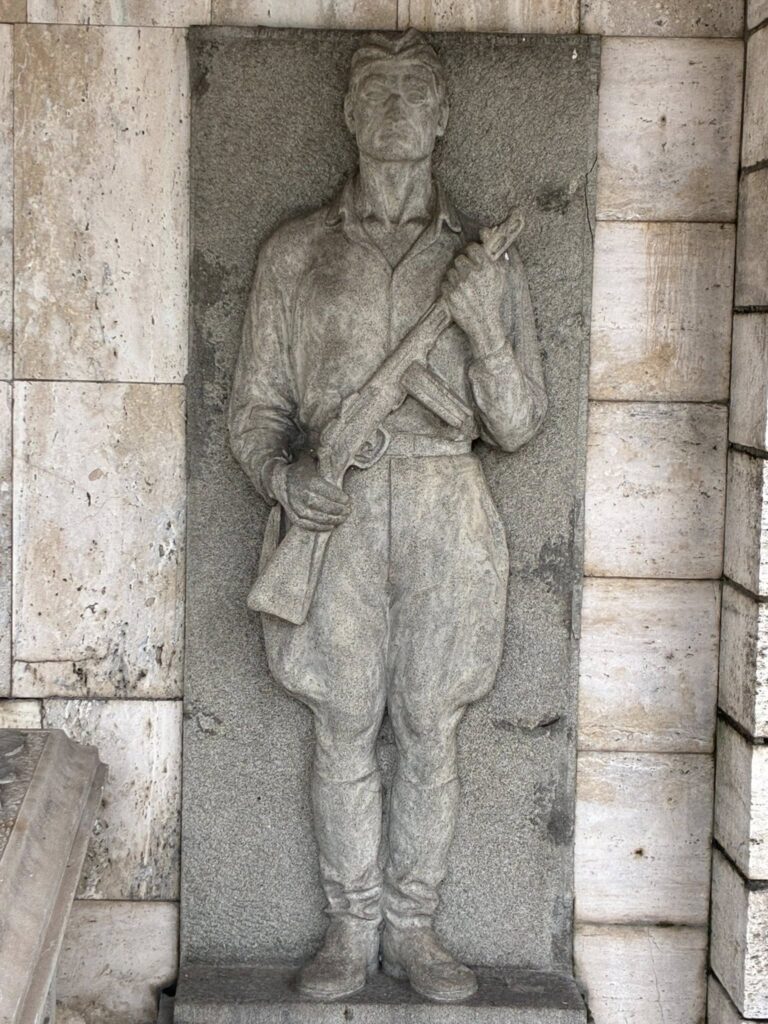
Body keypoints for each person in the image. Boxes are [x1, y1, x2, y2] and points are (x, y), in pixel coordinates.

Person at [228, 28, 547, 1004]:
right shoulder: (295, 254)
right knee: (343, 723)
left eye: (418, 90)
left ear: (444, 116)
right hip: (342, 514)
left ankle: (414, 929)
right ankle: (350, 923)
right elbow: (255, 411)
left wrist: (485, 329)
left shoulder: (482, 266)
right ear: (350, 112)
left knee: (429, 725)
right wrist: (285, 480)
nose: (400, 107)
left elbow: (518, 423)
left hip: (450, 508)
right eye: (380, 90)